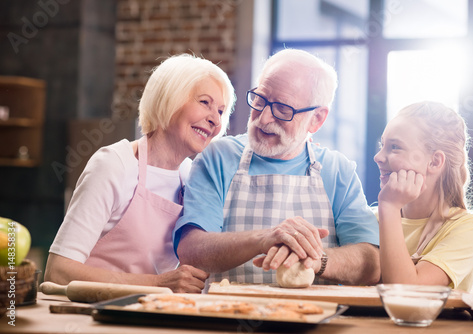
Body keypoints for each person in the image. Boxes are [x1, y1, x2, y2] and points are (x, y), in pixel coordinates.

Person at [174, 48, 380, 286]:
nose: (263, 119)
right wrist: (263, 238)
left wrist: (316, 259)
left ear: (317, 119)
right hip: (227, 316)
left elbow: (372, 264)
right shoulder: (218, 158)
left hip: (314, 319)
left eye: (283, 109)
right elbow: (191, 251)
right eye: (260, 100)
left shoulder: (337, 170)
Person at [44, 54, 236, 293]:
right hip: (94, 316)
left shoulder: (191, 176)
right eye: (205, 102)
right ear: (170, 99)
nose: (215, 119)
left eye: (221, 110)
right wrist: (157, 285)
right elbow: (58, 271)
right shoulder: (115, 165)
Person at [374, 101, 473, 293]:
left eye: (394, 147)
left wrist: (390, 207)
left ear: (435, 162)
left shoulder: (469, 228)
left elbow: (406, 293)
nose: (378, 156)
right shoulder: (372, 219)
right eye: (382, 145)